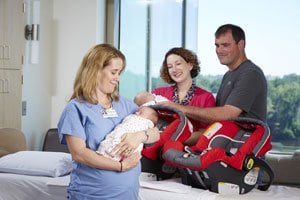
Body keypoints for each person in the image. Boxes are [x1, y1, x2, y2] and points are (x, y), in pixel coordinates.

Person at [57, 44, 160, 200]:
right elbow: (79, 154)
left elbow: (156, 133)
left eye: (119, 73)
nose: (117, 78)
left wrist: (140, 136)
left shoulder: (126, 105)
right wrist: (120, 166)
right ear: (96, 70)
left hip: (128, 194)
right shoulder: (76, 109)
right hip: (91, 194)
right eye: (113, 72)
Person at [158, 24, 267, 124]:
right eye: (217, 45)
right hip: (225, 138)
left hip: (244, 141)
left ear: (241, 44)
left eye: (225, 45)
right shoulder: (228, 75)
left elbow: (227, 114)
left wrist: (178, 107)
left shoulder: (250, 74)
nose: (219, 50)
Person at [152, 47, 215, 145]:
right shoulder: (158, 93)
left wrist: (172, 140)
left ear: (190, 65)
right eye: (170, 66)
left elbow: (205, 132)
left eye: (178, 64)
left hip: (184, 152)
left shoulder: (206, 97)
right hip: (154, 145)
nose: (174, 70)